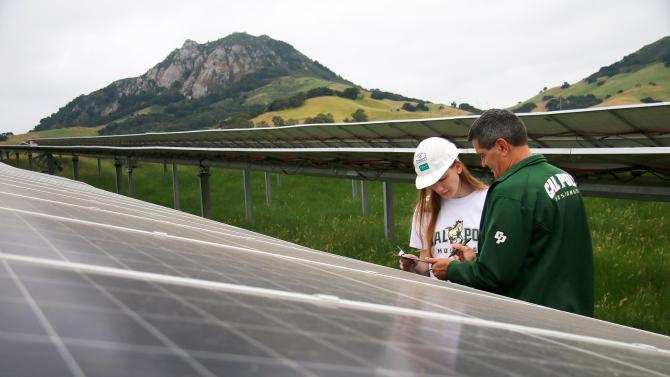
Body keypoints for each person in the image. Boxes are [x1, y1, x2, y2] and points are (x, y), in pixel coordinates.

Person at [425, 109, 594, 316]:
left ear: (502, 146)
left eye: (483, 155)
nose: (483, 164)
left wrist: (452, 269)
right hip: (574, 310)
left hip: (536, 315)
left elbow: (495, 275)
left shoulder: (511, 191)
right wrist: (477, 259)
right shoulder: (562, 178)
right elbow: (538, 248)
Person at [400, 137, 488, 279]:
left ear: (458, 167)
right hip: (438, 298)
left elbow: (497, 268)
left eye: (442, 179)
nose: (439, 188)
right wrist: (415, 264)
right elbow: (427, 266)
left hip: (476, 297)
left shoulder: (489, 200)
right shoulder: (426, 208)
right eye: (432, 183)